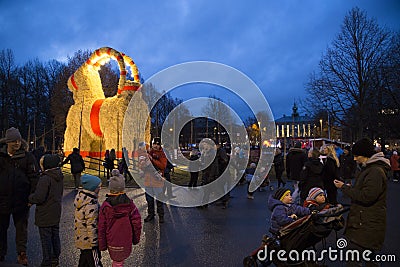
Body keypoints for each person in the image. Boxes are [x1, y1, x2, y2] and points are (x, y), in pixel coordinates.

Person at [334, 137, 390, 267]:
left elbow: (366, 197)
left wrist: (344, 187)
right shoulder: (370, 169)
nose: (354, 159)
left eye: (357, 155)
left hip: (366, 223)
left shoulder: (374, 171)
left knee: (355, 258)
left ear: (365, 155)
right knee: (369, 257)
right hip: (366, 222)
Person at [0, 127, 39, 265]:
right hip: (3, 200)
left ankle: (22, 254)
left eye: (18, 140)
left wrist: (31, 196)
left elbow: (34, 177)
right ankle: (1, 253)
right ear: (7, 142)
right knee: (1, 228)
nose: (17, 143)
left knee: (21, 229)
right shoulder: (1, 157)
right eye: (14, 141)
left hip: (21, 200)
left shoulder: (27, 157)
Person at [98, 169, 142, 267]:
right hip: (126, 240)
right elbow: (136, 223)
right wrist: (136, 239)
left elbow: (101, 227)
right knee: (120, 261)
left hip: (112, 240)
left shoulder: (105, 206)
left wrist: (102, 244)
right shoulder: (130, 205)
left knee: (117, 261)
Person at [29, 154, 63, 267]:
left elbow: (39, 197)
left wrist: (30, 198)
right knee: (55, 235)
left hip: (45, 213)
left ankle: (47, 260)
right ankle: (55, 257)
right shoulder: (58, 176)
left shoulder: (45, 178)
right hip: (55, 211)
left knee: (46, 238)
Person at [74, 174, 103, 267]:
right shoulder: (91, 204)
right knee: (95, 262)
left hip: (82, 238)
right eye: (99, 187)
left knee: (84, 261)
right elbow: (91, 224)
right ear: (93, 188)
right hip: (89, 241)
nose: (100, 188)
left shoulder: (82, 199)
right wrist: (94, 242)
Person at [141, 137, 167, 223]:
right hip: (148, 180)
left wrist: (152, 160)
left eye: (157, 144)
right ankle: (151, 215)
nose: (155, 146)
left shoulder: (162, 154)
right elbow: (141, 166)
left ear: (160, 145)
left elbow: (163, 166)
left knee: (159, 200)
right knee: (149, 200)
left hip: (158, 182)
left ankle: (161, 216)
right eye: (154, 144)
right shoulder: (147, 152)